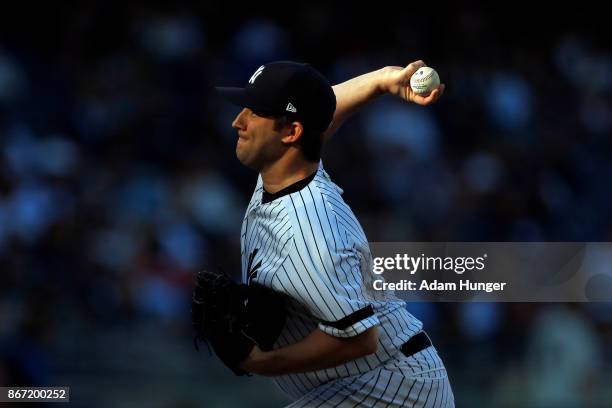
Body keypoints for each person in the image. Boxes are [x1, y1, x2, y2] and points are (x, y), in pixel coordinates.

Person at [216, 60, 453, 407]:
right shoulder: (288, 166)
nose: (239, 121)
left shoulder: (307, 228)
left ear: (290, 133)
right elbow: (318, 115)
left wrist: (260, 362)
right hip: (369, 382)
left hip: (394, 389)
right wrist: (381, 81)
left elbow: (359, 338)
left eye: (255, 112)